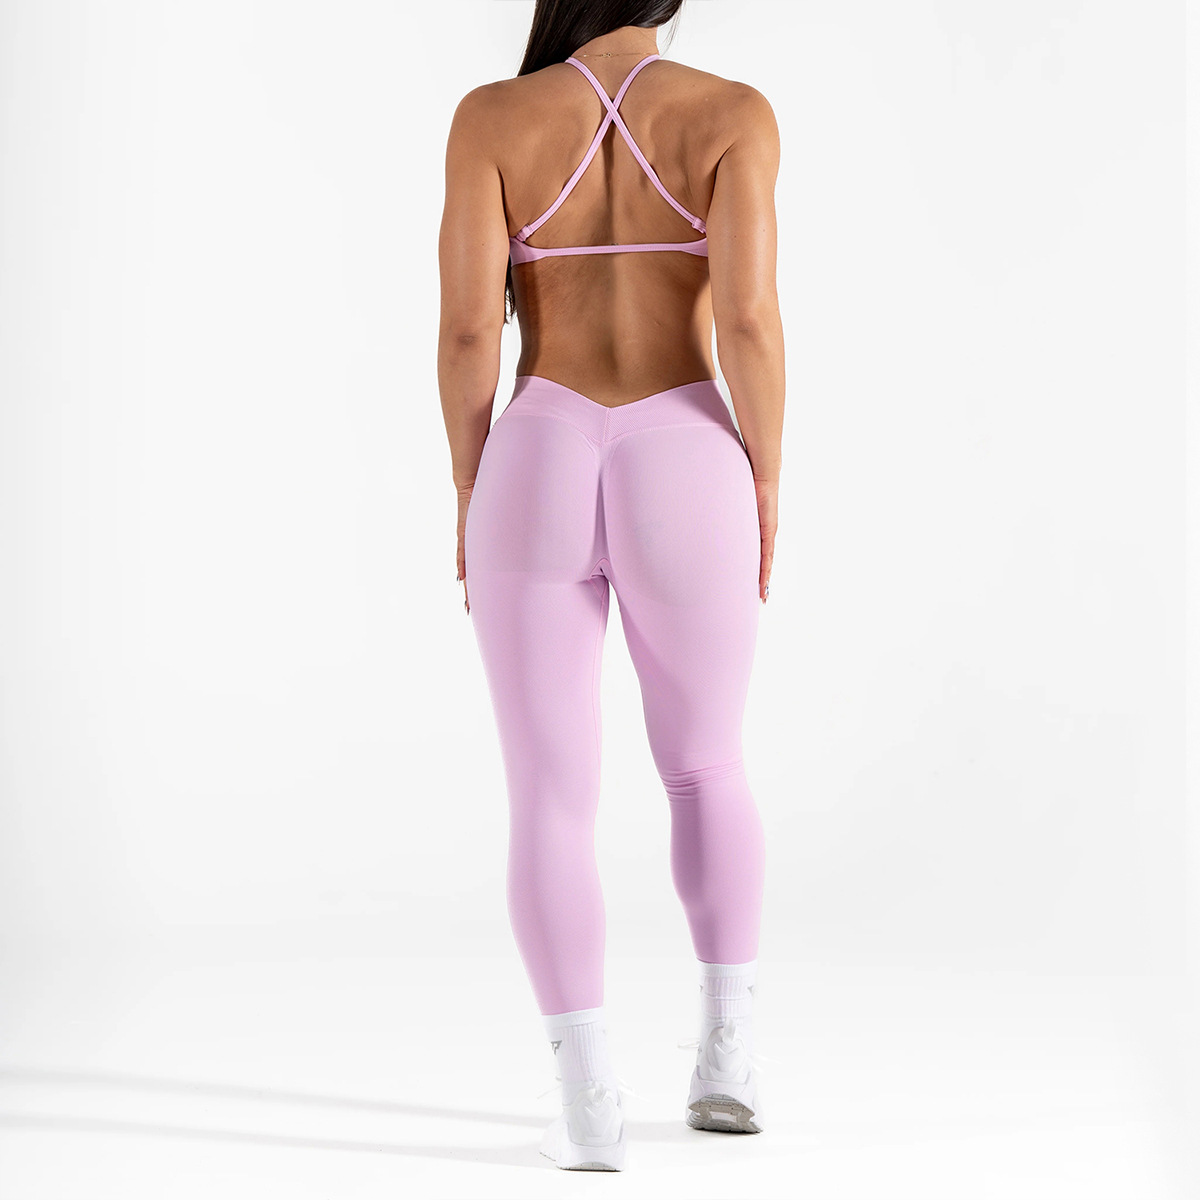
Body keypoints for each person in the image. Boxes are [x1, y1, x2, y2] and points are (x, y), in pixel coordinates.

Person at [438, 0, 784, 1171]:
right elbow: (747, 319)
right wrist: (765, 478)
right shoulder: (732, 116)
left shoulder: (492, 118)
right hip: (686, 450)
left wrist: (470, 486)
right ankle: (727, 1057)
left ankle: (587, 1103)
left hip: (538, 450)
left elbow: (469, 335)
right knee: (706, 765)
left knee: (547, 795)